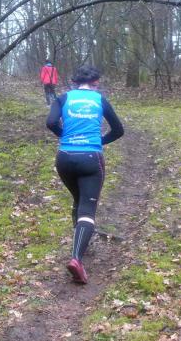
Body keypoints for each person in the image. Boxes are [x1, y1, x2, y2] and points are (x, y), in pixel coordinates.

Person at [46, 65, 124, 284]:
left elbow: (50, 122)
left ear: (74, 82)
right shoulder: (100, 100)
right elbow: (119, 130)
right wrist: (100, 141)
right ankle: (76, 259)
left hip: (64, 158)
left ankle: (80, 242)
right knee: (87, 209)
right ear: (96, 83)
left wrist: (64, 135)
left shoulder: (63, 98)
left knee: (78, 199)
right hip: (90, 158)